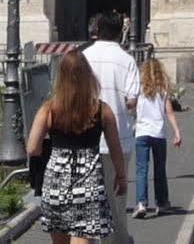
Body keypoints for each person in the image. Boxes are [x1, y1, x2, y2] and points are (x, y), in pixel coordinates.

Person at [27, 47, 126, 244]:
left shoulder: (48, 110)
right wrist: (121, 176)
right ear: (88, 77)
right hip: (88, 186)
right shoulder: (101, 110)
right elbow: (115, 148)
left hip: (55, 184)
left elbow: (32, 149)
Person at [81, 12, 141, 244]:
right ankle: (117, 240)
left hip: (86, 137)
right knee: (116, 198)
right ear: (120, 32)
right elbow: (131, 101)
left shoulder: (83, 57)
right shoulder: (126, 60)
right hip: (119, 138)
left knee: (89, 197)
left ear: (97, 29)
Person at [130, 56, 181, 221]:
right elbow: (169, 112)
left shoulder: (139, 88)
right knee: (160, 170)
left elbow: (131, 107)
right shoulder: (163, 89)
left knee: (141, 170)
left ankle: (141, 203)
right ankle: (162, 202)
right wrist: (177, 132)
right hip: (158, 134)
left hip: (141, 134)